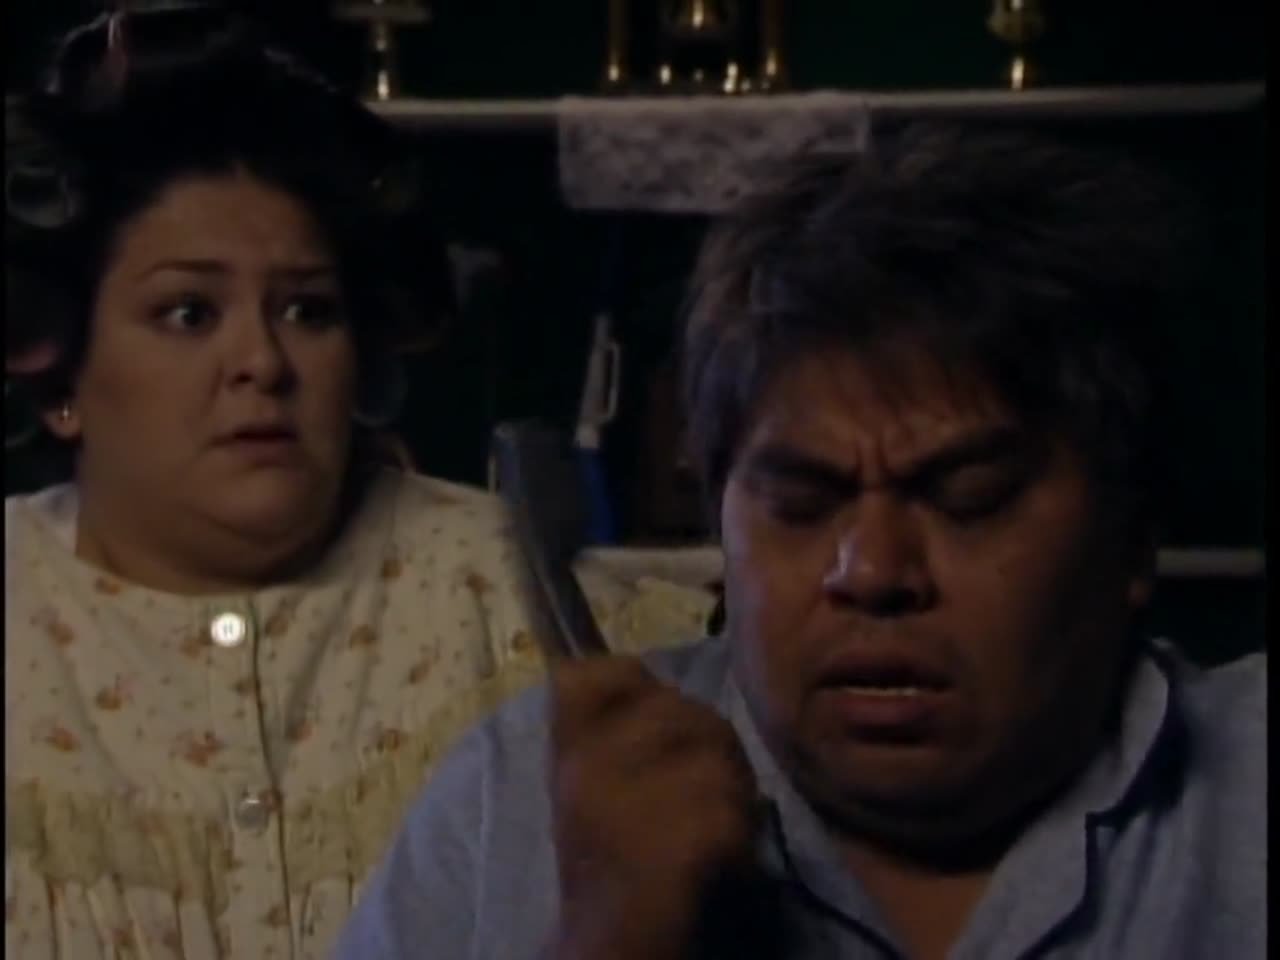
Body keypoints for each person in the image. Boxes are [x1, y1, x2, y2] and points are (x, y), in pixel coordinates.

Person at [336, 124, 1266, 959]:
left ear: (1133, 534)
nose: (873, 572)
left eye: (969, 500)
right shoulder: (514, 800)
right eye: (801, 503)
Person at [3, 9, 712, 959]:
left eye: (308, 310)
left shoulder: (510, 590)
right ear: (60, 376)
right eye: (188, 313)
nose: (262, 361)